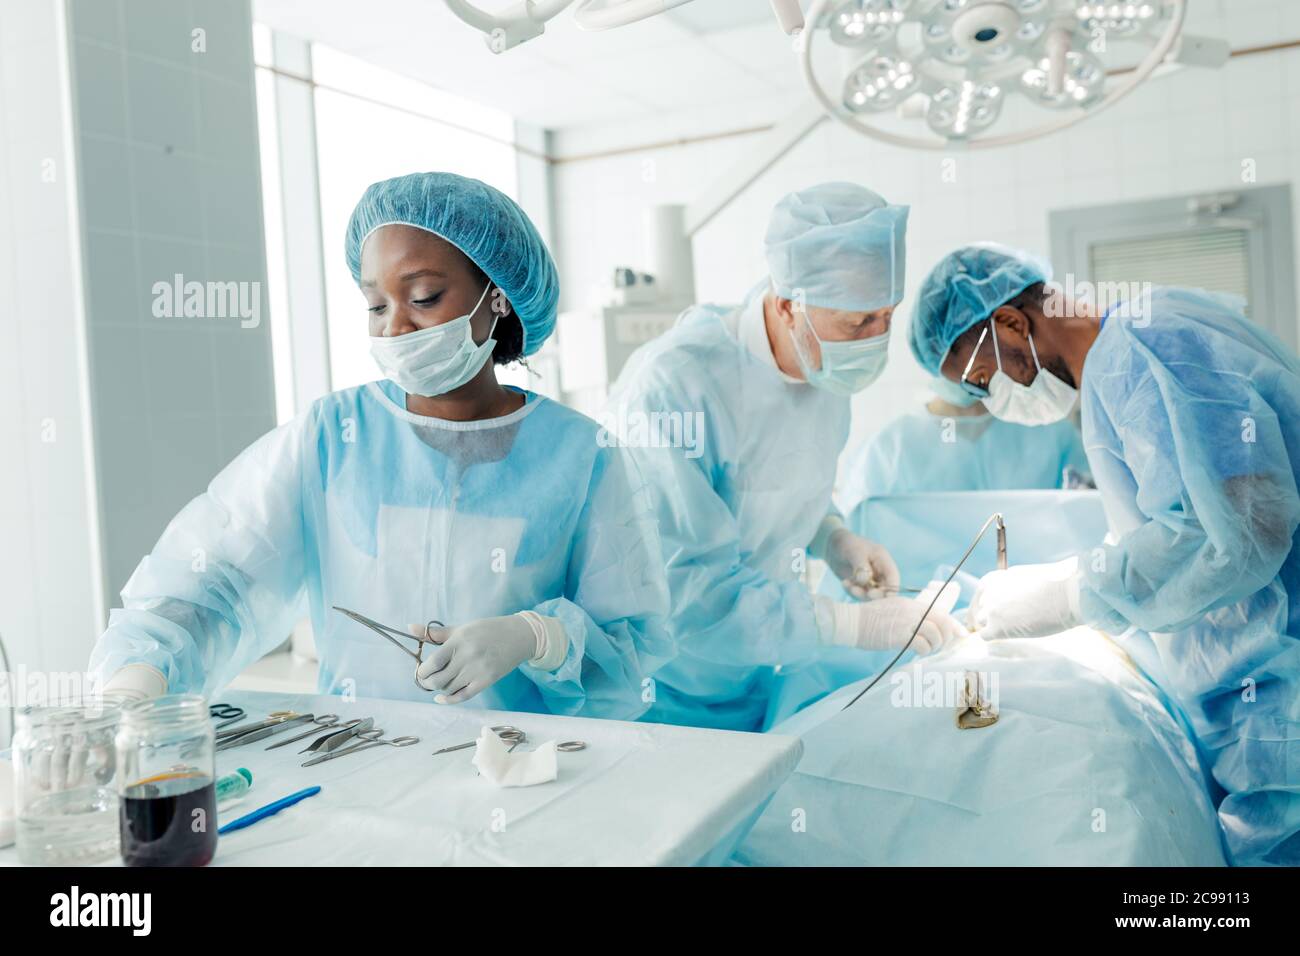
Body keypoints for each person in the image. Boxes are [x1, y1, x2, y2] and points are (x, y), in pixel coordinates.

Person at [89, 171, 672, 719]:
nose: (393, 328)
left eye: (422, 298)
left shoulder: (580, 455)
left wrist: (537, 638)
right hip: (360, 769)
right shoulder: (332, 438)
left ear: (496, 299)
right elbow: (212, 582)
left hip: (526, 772)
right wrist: (137, 679)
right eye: (375, 305)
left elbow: (629, 653)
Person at [909, 242, 1300, 866]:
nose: (992, 400)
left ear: (1011, 321)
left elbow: (1244, 525)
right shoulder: (1135, 347)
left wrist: (1072, 594)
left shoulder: (1140, 355)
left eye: (984, 379)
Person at [607, 182, 964, 732]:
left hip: (757, 668)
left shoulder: (824, 373)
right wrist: (848, 626)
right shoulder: (674, 389)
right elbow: (687, 590)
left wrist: (832, 536)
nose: (875, 338)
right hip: (665, 691)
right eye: (855, 323)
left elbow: (776, 490)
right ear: (786, 306)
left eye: (886, 316)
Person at [835, 378, 1090, 512]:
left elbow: (1091, 512)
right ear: (933, 350)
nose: (970, 368)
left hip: (1039, 606)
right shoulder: (889, 449)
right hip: (922, 608)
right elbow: (860, 543)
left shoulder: (1048, 431)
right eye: (956, 349)